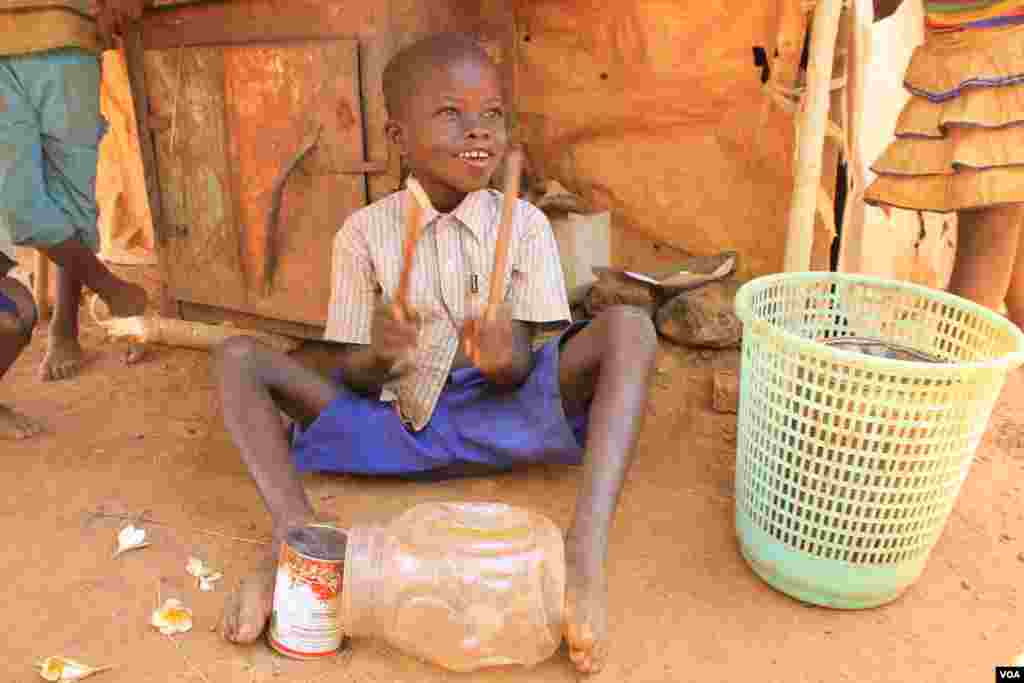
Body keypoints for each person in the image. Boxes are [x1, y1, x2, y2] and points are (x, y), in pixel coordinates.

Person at [215, 33, 657, 674]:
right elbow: (352, 377)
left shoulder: (525, 226)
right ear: (397, 137)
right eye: (451, 114)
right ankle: (297, 538)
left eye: (493, 114)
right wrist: (376, 356)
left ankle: (582, 555)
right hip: (395, 424)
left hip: (501, 418)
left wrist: (507, 360)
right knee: (235, 359)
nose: (479, 131)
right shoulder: (364, 234)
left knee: (630, 330)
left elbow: (524, 372)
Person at [0, 0, 149, 416]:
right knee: (19, 208)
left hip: (69, 33)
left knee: (73, 199)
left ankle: (65, 326)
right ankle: (113, 290)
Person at [867, 1, 1024, 325]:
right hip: (974, 57)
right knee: (1007, 235)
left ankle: (955, 373)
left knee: (987, 243)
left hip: (1002, 61)